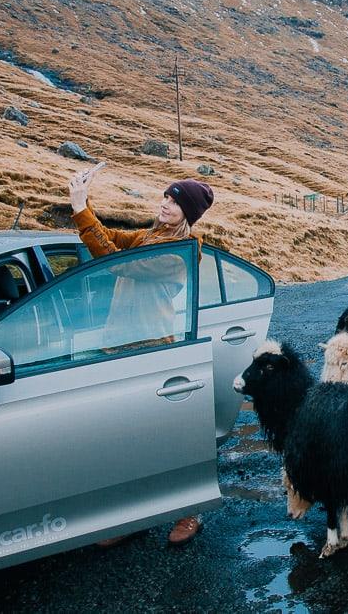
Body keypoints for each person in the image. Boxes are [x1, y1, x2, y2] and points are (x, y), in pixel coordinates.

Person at [68, 166, 214, 547]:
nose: (166, 203)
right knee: (122, 437)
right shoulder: (148, 235)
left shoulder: (183, 250)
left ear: (189, 213)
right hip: (118, 346)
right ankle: (132, 516)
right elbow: (108, 238)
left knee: (163, 438)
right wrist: (86, 202)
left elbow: (117, 261)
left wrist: (81, 208)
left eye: (176, 201)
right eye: (166, 196)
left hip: (152, 349)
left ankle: (187, 510)